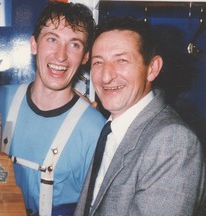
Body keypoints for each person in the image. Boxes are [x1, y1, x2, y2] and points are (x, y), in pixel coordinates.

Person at [74, 16, 206, 216]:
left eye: (122, 60)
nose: (106, 76)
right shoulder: (110, 126)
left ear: (152, 69)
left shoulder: (173, 142)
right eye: (98, 62)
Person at [0, 1, 106, 216]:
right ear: (34, 44)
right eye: (52, 39)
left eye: (74, 44)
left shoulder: (96, 130)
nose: (61, 55)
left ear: (85, 56)